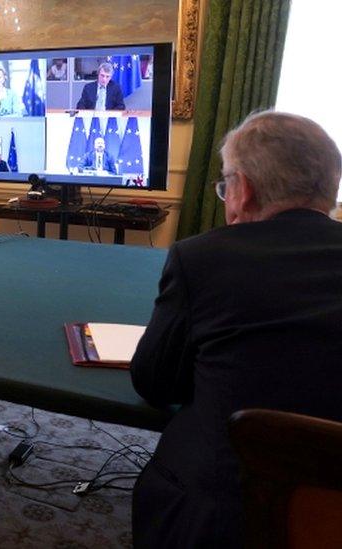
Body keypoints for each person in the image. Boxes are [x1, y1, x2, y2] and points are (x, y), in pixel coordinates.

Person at [130, 111, 342, 548]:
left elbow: (154, 382)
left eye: (226, 185)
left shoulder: (202, 258)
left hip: (219, 515)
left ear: (242, 190)